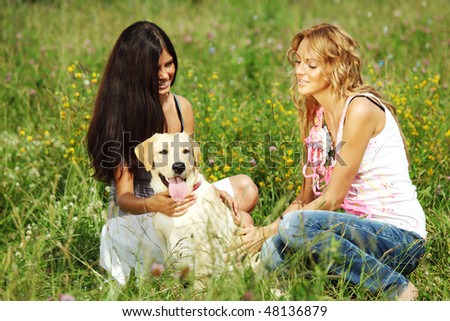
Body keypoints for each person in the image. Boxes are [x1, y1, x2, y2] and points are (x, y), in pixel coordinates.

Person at [240, 23, 426, 300]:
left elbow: (332, 199)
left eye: (311, 65)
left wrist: (267, 230)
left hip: (397, 239)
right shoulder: (316, 117)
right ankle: (333, 284)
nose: (300, 71)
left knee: (292, 228)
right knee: (270, 253)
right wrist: (260, 235)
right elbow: (303, 201)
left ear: (335, 67)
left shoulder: (361, 108)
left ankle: (397, 289)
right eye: (299, 62)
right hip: (351, 235)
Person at [86, 21, 258, 284]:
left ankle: (221, 266)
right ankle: (206, 268)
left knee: (245, 190)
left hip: (182, 197)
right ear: (134, 71)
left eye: (169, 64)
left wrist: (211, 191)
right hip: (143, 211)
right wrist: (153, 204)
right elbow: (124, 198)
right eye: (154, 69)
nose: (165, 74)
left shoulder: (182, 107)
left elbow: (188, 168)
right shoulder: (121, 117)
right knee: (240, 222)